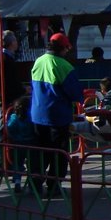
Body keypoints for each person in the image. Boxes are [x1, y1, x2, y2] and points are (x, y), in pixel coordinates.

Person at [29, 33, 84, 197]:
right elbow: (75, 93)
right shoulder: (63, 66)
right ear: (63, 48)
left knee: (39, 152)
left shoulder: (38, 61)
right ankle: (54, 186)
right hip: (57, 116)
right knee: (59, 154)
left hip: (37, 114)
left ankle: (35, 185)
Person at [0, 29, 25, 128]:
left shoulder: (4, 57)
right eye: (15, 40)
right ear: (11, 43)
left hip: (5, 96)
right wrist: (22, 89)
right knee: (5, 124)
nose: (17, 43)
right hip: (5, 98)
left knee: (6, 122)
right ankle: (2, 142)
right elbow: (9, 81)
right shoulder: (4, 59)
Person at [4, 96, 36, 195]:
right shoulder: (31, 116)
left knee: (18, 163)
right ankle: (32, 182)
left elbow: (9, 128)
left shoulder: (14, 117)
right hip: (30, 142)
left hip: (18, 143)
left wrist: (13, 137)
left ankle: (17, 181)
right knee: (32, 164)